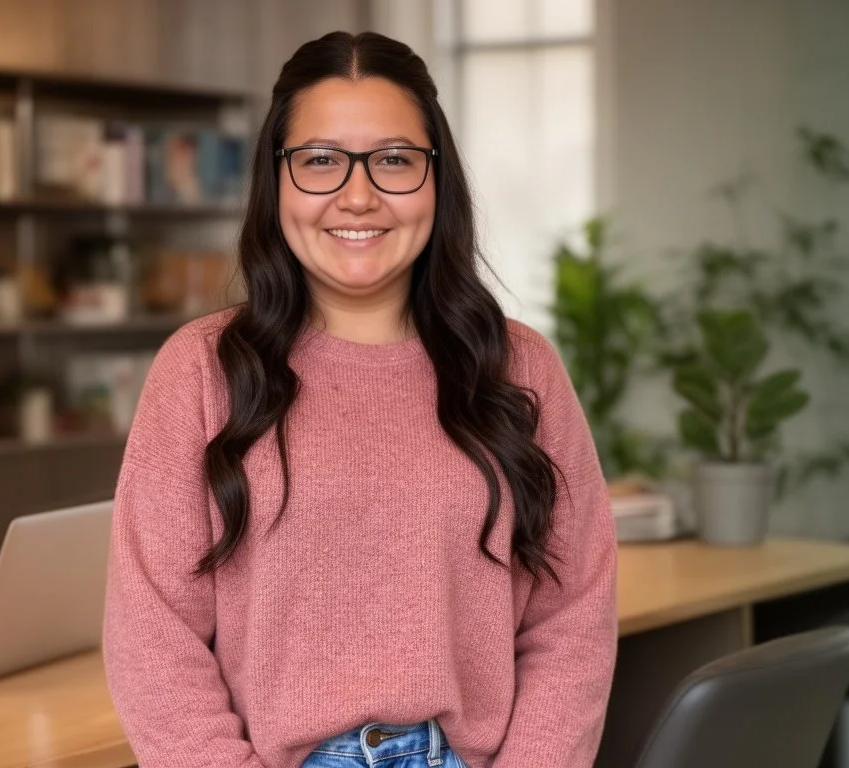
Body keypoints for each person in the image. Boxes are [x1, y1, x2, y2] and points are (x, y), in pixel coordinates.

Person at [103, 31, 617, 768]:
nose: (357, 194)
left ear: (437, 180)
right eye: (319, 161)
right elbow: (152, 638)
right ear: (274, 181)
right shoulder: (202, 371)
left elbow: (572, 617)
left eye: (395, 160)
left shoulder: (519, 368)